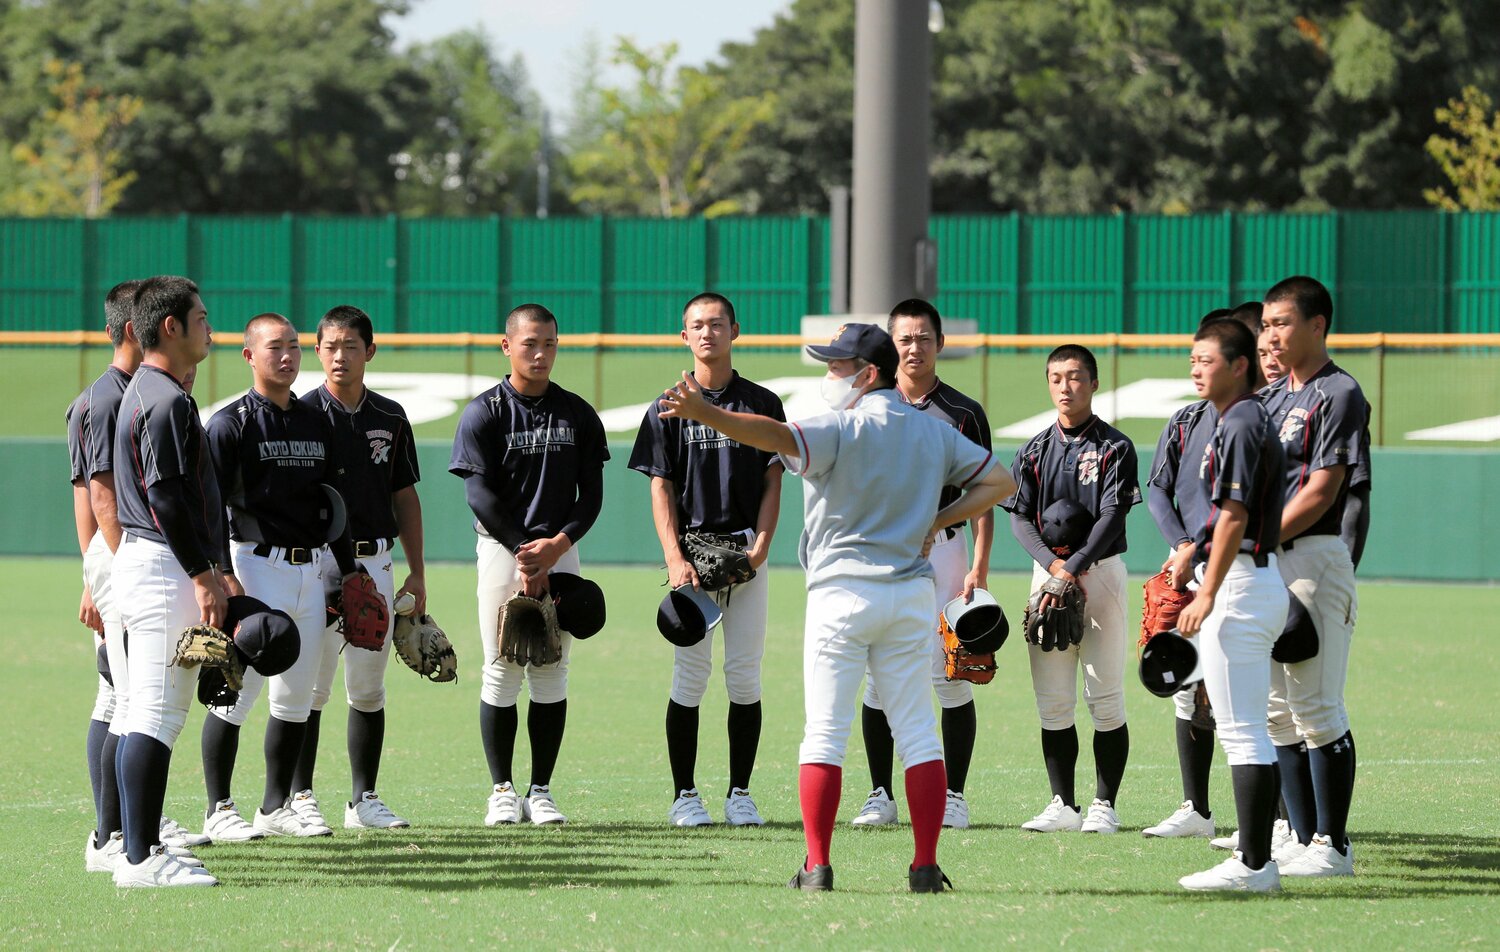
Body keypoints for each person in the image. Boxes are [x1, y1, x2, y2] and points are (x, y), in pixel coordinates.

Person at [658, 322, 1014, 893]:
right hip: (907, 595)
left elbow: (769, 434)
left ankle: (817, 866)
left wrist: (707, 413)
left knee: (825, 732)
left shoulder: (839, 428)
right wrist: (939, 520)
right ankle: (924, 867)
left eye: (837, 366)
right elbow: (1001, 480)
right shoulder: (933, 433)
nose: (829, 376)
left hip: (840, 596)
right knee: (919, 732)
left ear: (868, 374)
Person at [199, 313, 359, 841]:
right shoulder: (229, 424)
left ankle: (276, 806)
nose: (287, 356)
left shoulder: (317, 420)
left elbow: (331, 504)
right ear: (249, 356)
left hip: (311, 570)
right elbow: (209, 506)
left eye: (293, 346)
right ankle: (219, 808)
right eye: (274, 348)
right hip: (253, 567)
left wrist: (350, 571)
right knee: (236, 692)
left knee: (297, 694)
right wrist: (222, 575)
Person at [450, 303, 609, 827]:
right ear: (507, 346)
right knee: (502, 667)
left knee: (552, 669)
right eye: (529, 344)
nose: (540, 354)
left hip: (559, 549)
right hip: (502, 550)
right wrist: (525, 550)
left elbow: (592, 498)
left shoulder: (578, 413)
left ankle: (540, 790)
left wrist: (555, 548)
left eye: (549, 344)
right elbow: (479, 496)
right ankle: (502, 790)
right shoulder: (485, 411)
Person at [628, 292, 783, 828]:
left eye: (717, 324)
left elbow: (772, 479)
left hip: (743, 552)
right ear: (684, 335)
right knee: (689, 677)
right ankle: (685, 795)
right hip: (692, 554)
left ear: (735, 330)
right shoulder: (666, 405)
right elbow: (660, 487)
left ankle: (740, 793)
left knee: (744, 677)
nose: (708, 333)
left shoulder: (762, 401)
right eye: (697, 325)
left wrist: (761, 546)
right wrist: (673, 557)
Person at [851, 299, 994, 831]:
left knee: (951, 675)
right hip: (886, 548)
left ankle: (954, 796)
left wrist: (978, 568)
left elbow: (985, 493)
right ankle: (880, 794)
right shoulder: (869, 405)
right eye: (904, 339)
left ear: (940, 343)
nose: (914, 347)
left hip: (949, 547)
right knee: (877, 680)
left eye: (923, 337)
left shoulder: (962, 411)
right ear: (891, 346)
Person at [110, 275, 226, 886]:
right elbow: (167, 499)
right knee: (153, 716)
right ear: (170, 327)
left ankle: (142, 843)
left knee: (148, 712)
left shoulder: (149, 390)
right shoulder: (164, 399)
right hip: (162, 564)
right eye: (201, 317)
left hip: (152, 560)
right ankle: (138, 860)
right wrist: (205, 574)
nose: (211, 326)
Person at [294, 305, 426, 829]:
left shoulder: (389, 417)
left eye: (351, 345)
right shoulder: (303, 414)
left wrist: (417, 572)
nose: (340, 355)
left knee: (369, 688)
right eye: (330, 345)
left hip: (377, 559)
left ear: (370, 351)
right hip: (322, 562)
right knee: (313, 687)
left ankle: (363, 800)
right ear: (318, 351)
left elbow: (406, 496)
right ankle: (300, 797)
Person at [1004, 344, 1140, 835]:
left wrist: (1072, 567)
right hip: (1048, 575)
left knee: (1105, 696)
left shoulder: (1115, 447)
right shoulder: (1034, 449)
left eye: (1076, 376)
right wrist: (1052, 566)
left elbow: (1112, 515)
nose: (1066, 386)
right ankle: (1062, 803)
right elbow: (1019, 516)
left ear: (1094, 383)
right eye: (1057, 377)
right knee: (1054, 699)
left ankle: (1104, 804)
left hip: (1100, 572)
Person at [1174, 317, 1289, 892]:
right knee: (1247, 729)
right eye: (1193, 359)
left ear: (1239, 364)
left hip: (1241, 584)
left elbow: (1238, 516)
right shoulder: (1237, 419)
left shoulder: (1241, 420)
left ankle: (1254, 865)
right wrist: (1193, 551)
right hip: (1248, 579)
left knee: (1244, 732)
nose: (1196, 368)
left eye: (1207, 359)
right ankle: (1255, 858)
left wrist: (1207, 591)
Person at [1258, 276, 1366, 877]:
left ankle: (1334, 844)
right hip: (1270, 561)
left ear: (1318, 325)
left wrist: (1256, 539)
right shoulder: (1271, 401)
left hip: (1314, 558)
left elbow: (1324, 490)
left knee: (1317, 705)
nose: (1271, 332)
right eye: (1267, 323)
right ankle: (1300, 839)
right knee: (1277, 709)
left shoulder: (1339, 392)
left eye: (1282, 321)